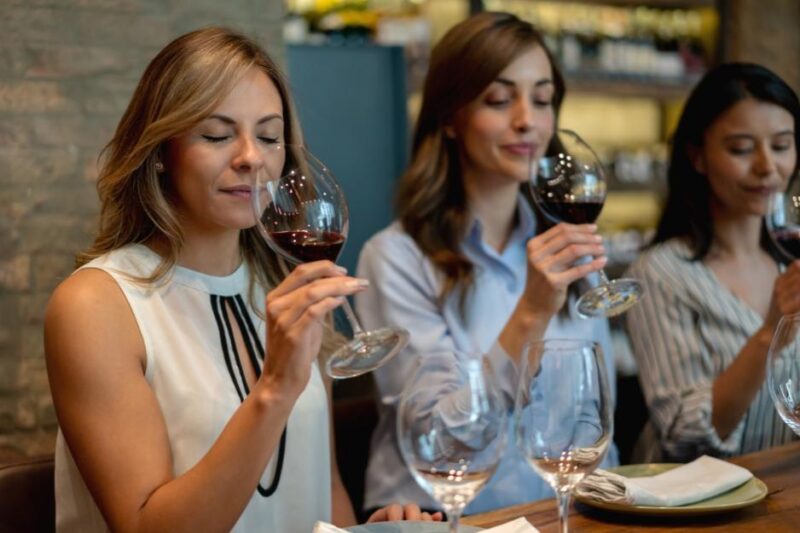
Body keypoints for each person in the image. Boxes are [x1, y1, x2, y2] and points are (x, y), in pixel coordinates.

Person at [43, 27, 440, 532]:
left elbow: (325, 489)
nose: (252, 157)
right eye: (216, 134)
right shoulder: (97, 305)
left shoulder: (282, 286)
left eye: (269, 136)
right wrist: (273, 390)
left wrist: (368, 530)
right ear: (162, 150)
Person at [355, 12, 619, 516]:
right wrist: (531, 313)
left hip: (559, 516)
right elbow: (440, 440)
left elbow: (593, 421)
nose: (527, 120)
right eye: (499, 100)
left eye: (542, 100)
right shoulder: (395, 258)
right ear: (450, 118)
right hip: (442, 520)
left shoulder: (566, 245)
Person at [625, 62, 800, 462]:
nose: (767, 167)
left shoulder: (788, 262)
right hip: (692, 510)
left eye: (781, 145)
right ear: (697, 156)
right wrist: (770, 332)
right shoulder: (660, 274)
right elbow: (683, 437)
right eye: (741, 148)